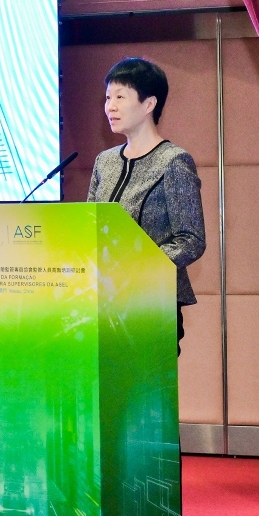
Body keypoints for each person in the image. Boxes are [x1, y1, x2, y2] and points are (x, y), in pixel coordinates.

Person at [87, 57, 205, 354]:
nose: (110, 107)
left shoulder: (173, 161)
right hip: (101, 303)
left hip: (152, 304)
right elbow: (89, 226)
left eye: (120, 97)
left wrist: (139, 268)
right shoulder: (105, 162)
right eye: (107, 98)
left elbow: (191, 240)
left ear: (149, 103)